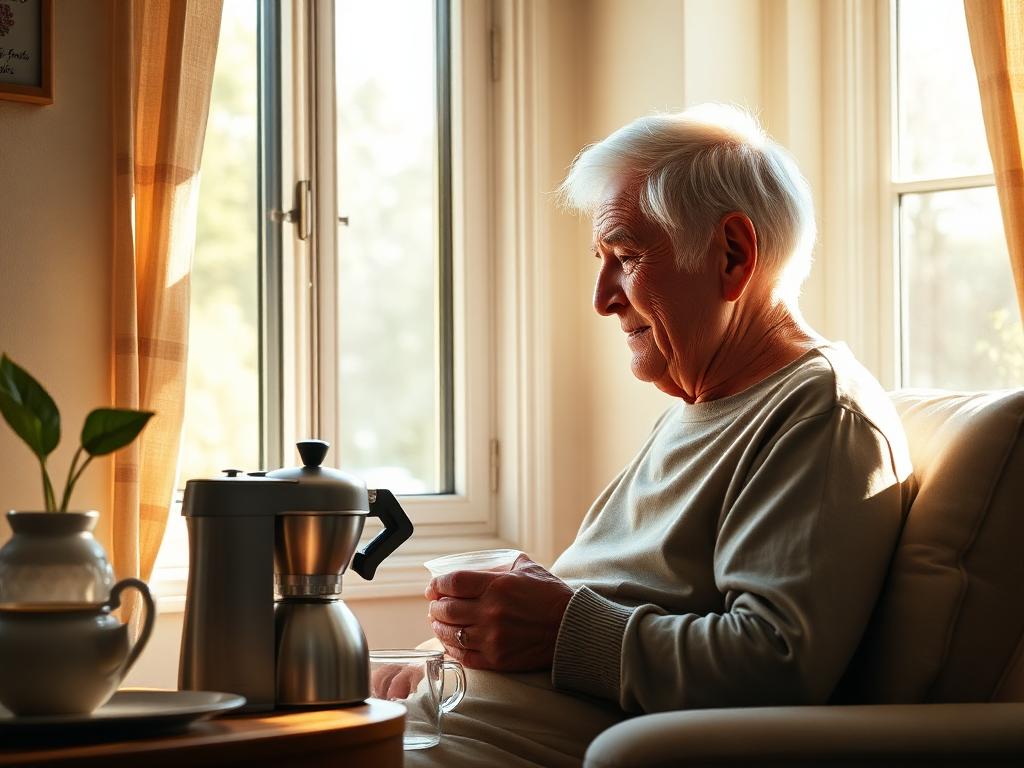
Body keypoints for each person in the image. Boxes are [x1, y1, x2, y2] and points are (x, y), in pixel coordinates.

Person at [401, 103, 913, 767]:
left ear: (733, 255)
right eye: (602, 259)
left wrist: (562, 628)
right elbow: (602, 605)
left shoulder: (818, 412)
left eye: (627, 256)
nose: (602, 298)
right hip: (443, 730)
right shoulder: (693, 407)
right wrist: (431, 668)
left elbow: (776, 665)